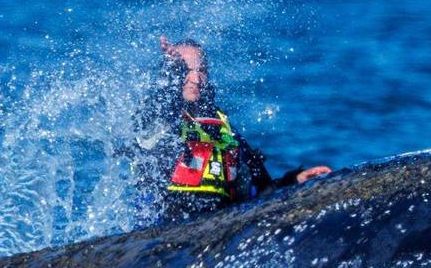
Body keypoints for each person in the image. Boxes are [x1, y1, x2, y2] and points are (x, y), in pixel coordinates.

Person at [128, 37, 330, 225]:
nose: (195, 78)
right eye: (185, 69)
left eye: (202, 70)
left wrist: (294, 180)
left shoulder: (223, 129)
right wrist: (170, 73)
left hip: (216, 228)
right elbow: (155, 110)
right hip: (165, 230)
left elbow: (262, 191)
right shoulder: (159, 118)